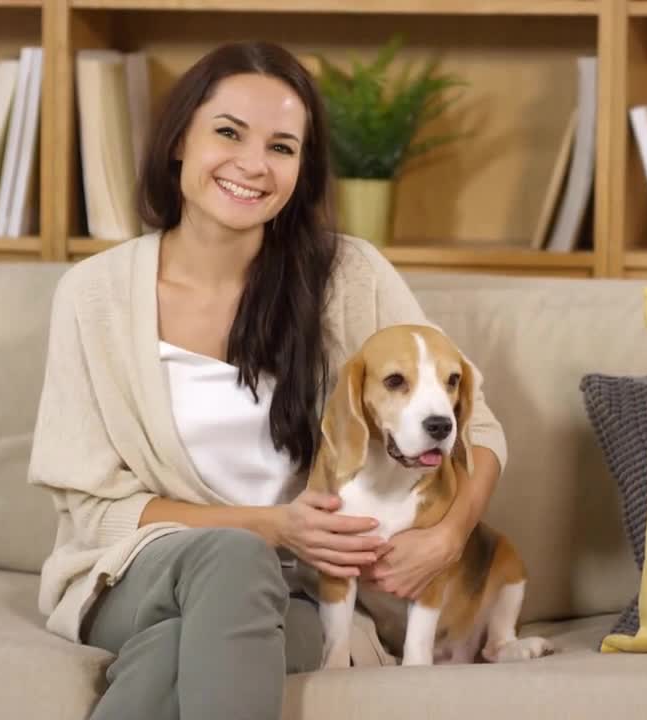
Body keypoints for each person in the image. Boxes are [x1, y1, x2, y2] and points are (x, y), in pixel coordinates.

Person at [27, 40, 508, 720]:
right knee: (234, 558)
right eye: (228, 133)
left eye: (282, 147)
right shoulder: (94, 296)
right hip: (138, 572)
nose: (253, 165)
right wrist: (269, 527)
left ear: (302, 171)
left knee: (171, 654)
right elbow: (94, 508)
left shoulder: (351, 277)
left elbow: (477, 424)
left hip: (298, 596)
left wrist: (450, 534)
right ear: (178, 143)